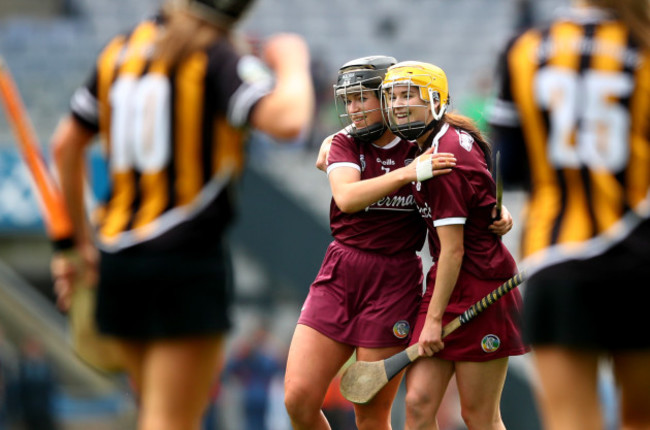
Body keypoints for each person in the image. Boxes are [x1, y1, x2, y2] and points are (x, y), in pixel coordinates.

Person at [48, 1, 314, 429]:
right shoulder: (210, 53)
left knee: (153, 412)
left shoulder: (120, 51)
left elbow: (65, 145)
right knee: (171, 421)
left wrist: (76, 245)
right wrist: (292, 59)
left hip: (119, 261)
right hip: (184, 261)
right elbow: (287, 119)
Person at [284, 56, 512, 430]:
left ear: (387, 101)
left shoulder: (423, 141)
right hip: (339, 274)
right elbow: (347, 198)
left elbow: (472, 190)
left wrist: (498, 215)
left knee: (371, 413)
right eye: (349, 101)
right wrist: (408, 173)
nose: (354, 110)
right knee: (297, 399)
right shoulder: (344, 143)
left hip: (395, 280)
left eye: (363, 100)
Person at [487, 1, 650, 429]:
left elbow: (509, 165)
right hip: (642, 262)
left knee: (571, 423)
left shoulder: (526, 49)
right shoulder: (645, 44)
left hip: (557, 260)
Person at [381, 61, 528, 430]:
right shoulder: (431, 141)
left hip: (482, 287)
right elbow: (483, 199)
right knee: (417, 404)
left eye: (409, 95)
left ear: (435, 101)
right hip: (445, 285)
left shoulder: (446, 157)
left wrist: (432, 321)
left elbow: (454, 249)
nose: (399, 105)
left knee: (478, 416)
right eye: (393, 96)